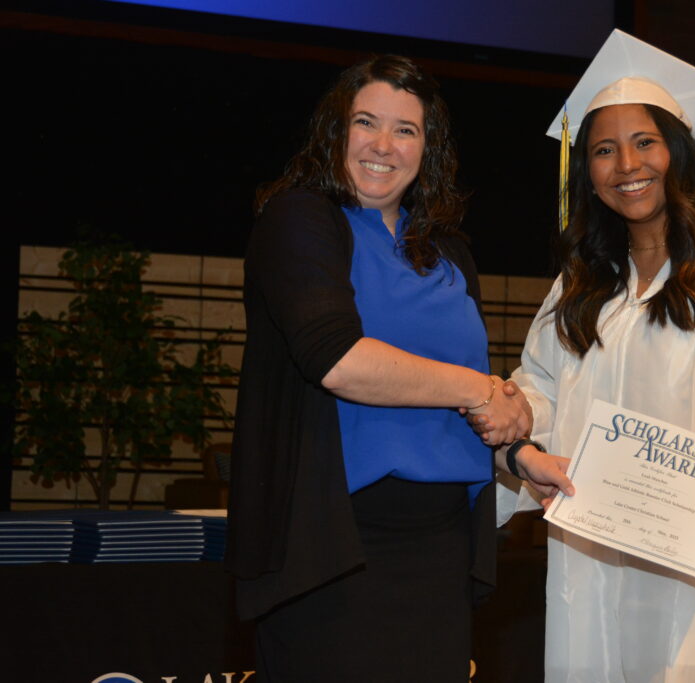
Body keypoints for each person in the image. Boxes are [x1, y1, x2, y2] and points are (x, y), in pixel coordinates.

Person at [486, 30, 695, 682]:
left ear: (678, 149)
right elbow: (542, 384)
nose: (626, 165)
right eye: (603, 150)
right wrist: (512, 408)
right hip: (596, 558)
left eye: (644, 142)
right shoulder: (583, 281)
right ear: (586, 171)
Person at [224, 55, 530, 682]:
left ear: (429, 147)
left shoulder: (448, 252)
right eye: (366, 122)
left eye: (406, 129)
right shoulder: (301, 220)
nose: (383, 145)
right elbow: (335, 359)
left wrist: (520, 454)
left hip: (441, 545)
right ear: (336, 131)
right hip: (336, 545)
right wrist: (483, 390)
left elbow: (453, 408)